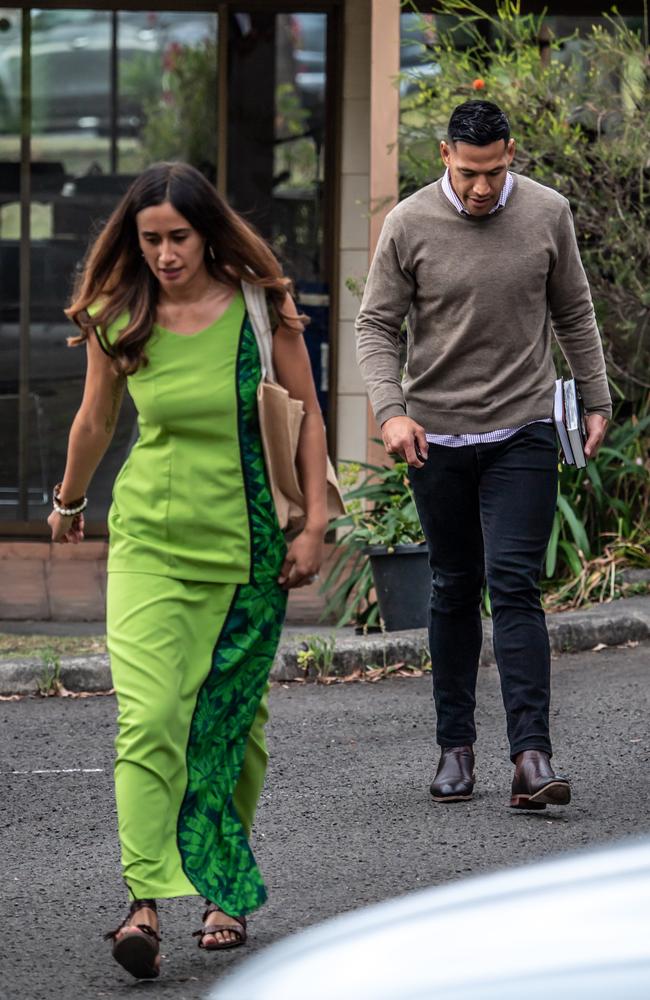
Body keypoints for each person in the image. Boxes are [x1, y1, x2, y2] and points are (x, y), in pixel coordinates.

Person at [48, 162, 328, 979]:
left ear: (208, 232)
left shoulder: (258, 307)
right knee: (149, 717)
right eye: (150, 240)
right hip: (150, 545)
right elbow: (97, 419)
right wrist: (66, 501)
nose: (165, 254)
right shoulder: (120, 315)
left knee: (229, 732)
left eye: (177, 237)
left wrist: (314, 524)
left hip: (248, 551)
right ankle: (142, 903)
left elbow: (305, 416)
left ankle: (222, 889)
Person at [355, 100, 611, 810]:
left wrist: (596, 398)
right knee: (453, 584)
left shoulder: (546, 211)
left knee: (516, 583)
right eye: (469, 173)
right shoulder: (409, 223)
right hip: (434, 435)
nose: (481, 188)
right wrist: (392, 412)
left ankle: (532, 758)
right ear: (445, 155)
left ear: (511, 154)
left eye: (495, 172)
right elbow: (376, 324)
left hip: (522, 426)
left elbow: (574, 309)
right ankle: (455, 748)